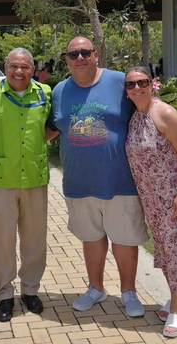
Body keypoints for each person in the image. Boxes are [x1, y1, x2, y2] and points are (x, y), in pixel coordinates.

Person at [49, 36, 148, 318]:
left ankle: (128, 291)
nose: (79, 58)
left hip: (120, 180)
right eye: (73, 54)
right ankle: (96, 287)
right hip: (79, 181)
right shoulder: (59, 90)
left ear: (95, 55)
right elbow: (53, 127)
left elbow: (149, 107)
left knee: (124, 239)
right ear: (67, 60)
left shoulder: (120, 81)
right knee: (91, 238)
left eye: (85, 52)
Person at [123, 66, 177, 339]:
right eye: (131, 84)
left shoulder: (165, 112)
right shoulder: (136, 115)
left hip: (173, 195)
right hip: (152, 198)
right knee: (167, 248)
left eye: (142, 82)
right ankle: (174, 299)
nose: (137, 88)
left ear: (152, 84)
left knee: (176, 249)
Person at [0, 48, 58, 322]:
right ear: (5, 67)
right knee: (3, 239)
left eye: (25, 67)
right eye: (14, 66)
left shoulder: (45, 93)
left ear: (32, 69)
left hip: (35, 176)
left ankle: (30, 290)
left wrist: (33, 148)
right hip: (3, 177)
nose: (19, 72)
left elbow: (51, 127)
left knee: (35, 238)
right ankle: (4, 295)